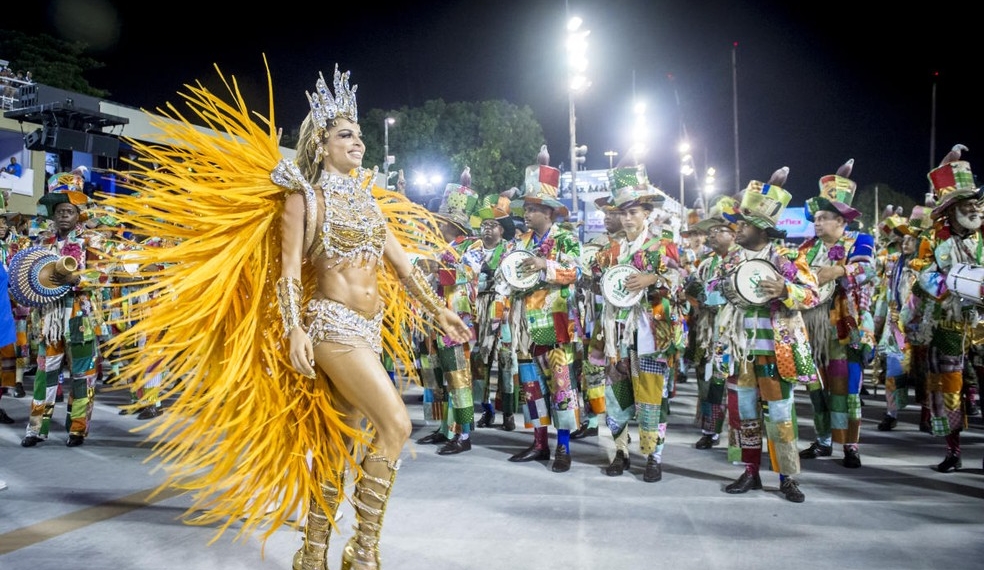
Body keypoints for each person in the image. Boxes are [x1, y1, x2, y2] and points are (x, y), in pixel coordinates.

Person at [95, 64, 470, 569]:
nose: (358, 143)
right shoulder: (304, 197)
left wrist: (439, 309)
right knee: (396, 424)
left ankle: (312, 553)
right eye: (346, 134)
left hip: (369, 330)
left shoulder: (369, 202)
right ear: (322, 143)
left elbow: (404, 268)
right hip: (331, 327)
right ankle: (363, 552)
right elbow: (289, 272)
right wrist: (295, 328)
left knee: (339, 443)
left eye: (359, 135)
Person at [717, 167, 820, 503]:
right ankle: (750, 472)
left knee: (779, 414)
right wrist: (718, 290)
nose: (737, 228)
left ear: (761, 227)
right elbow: (711, 292)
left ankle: (787, 477)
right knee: (743, 414)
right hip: (739, 350)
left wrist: (785, 288)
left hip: (777, 350)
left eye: (743, 223)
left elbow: (812, 294)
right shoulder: (730, 259)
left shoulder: (787, 257)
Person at [588, 165, 684, 482]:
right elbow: (592, 277)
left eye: (633, 212)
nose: (627, 219)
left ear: (647, 213)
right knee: (617, 397)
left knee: (652, 397)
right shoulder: (609, 249)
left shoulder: (662, 245)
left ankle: (653, 456)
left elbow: (680, 278)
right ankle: (621, 452)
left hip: (650, 333)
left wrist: (652, 277)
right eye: (623, 213)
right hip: (615, 333)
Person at [502, 147, 582, 473]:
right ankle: (539, 443)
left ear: (548, 212)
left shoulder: (566, 239)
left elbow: (576, 271)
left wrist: (544, 264)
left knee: (561, 386)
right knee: (531, 385)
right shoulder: (521, 242)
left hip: (555, 323)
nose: (527, 214)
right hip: (525, 326)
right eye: (526, 208)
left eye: (532, 209)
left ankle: (563, 446)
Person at [796, 160, 877, 468]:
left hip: (847, 326)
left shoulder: (860, 241)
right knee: (817, 387)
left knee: (847, 387)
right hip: (813, 330)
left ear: (842, 221)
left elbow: (867, 270)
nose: (817, 223)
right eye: (815, 218)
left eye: (825, 218)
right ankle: (823, 440)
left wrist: (839, 270)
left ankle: (850, 445)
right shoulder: (806, 248)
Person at [19, 171, 106, 448]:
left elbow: (104, 274)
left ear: (78, 213)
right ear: (53, 214)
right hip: (49, 318)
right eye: (59, 211)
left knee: (82, 375)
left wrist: (77, 278)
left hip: (80, 315)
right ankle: (36, 428)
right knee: (46, 372)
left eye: (69, 210)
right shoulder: (42, 242)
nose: (64, 215)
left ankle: (77, 429)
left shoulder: (93, 241)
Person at [916, 144, 983, 472]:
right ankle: (953, 451)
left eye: (975, 204)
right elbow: (921, 281)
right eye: (967, 205)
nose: (974, 209)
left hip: (983, 327)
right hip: (948, 325)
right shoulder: (933, 243)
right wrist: (954, 286)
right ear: (950, 210)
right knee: (950, 390)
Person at [415, 170, 482, 455]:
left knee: (458, 378)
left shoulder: (473, 245)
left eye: (441, 220)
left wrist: (435, 265)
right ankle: (444, 427)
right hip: (432, 320)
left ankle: (464, 434)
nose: (437, 224)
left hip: (457, 321)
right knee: (435, 377)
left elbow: (467, 271)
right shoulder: (436, 245)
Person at [687, 195, 740, 450]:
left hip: (735, 334)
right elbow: (691, 289)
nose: (710, 236)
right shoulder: (705, 263)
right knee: (707, 382)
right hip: (707, 333)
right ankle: (711, 429)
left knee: (730, 382)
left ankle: (738, 434)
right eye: (710, 231)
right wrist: (700, 297)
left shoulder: (744, 261)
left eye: (718, 230)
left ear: (733, 233)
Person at [572, 192, 624, 441]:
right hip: (595, 316)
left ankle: (622, 427)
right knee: (590, 369)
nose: (607, 218)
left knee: (620, 373)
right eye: (605, 214)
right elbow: (580, 277)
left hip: (623, 320)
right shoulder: (595, 243)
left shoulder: (635, 247)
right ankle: (592, 420)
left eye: (613, 213)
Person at [470, 190, 517, 431]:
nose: (487, 229)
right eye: (485, 224)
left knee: (507, 361)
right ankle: (486, 410)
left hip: (504, 311)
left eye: (493, 225)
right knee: (480, 362)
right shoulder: (472, 250)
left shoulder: (511, 251)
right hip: (477, 311)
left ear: (502, 230)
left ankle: (508, 412)